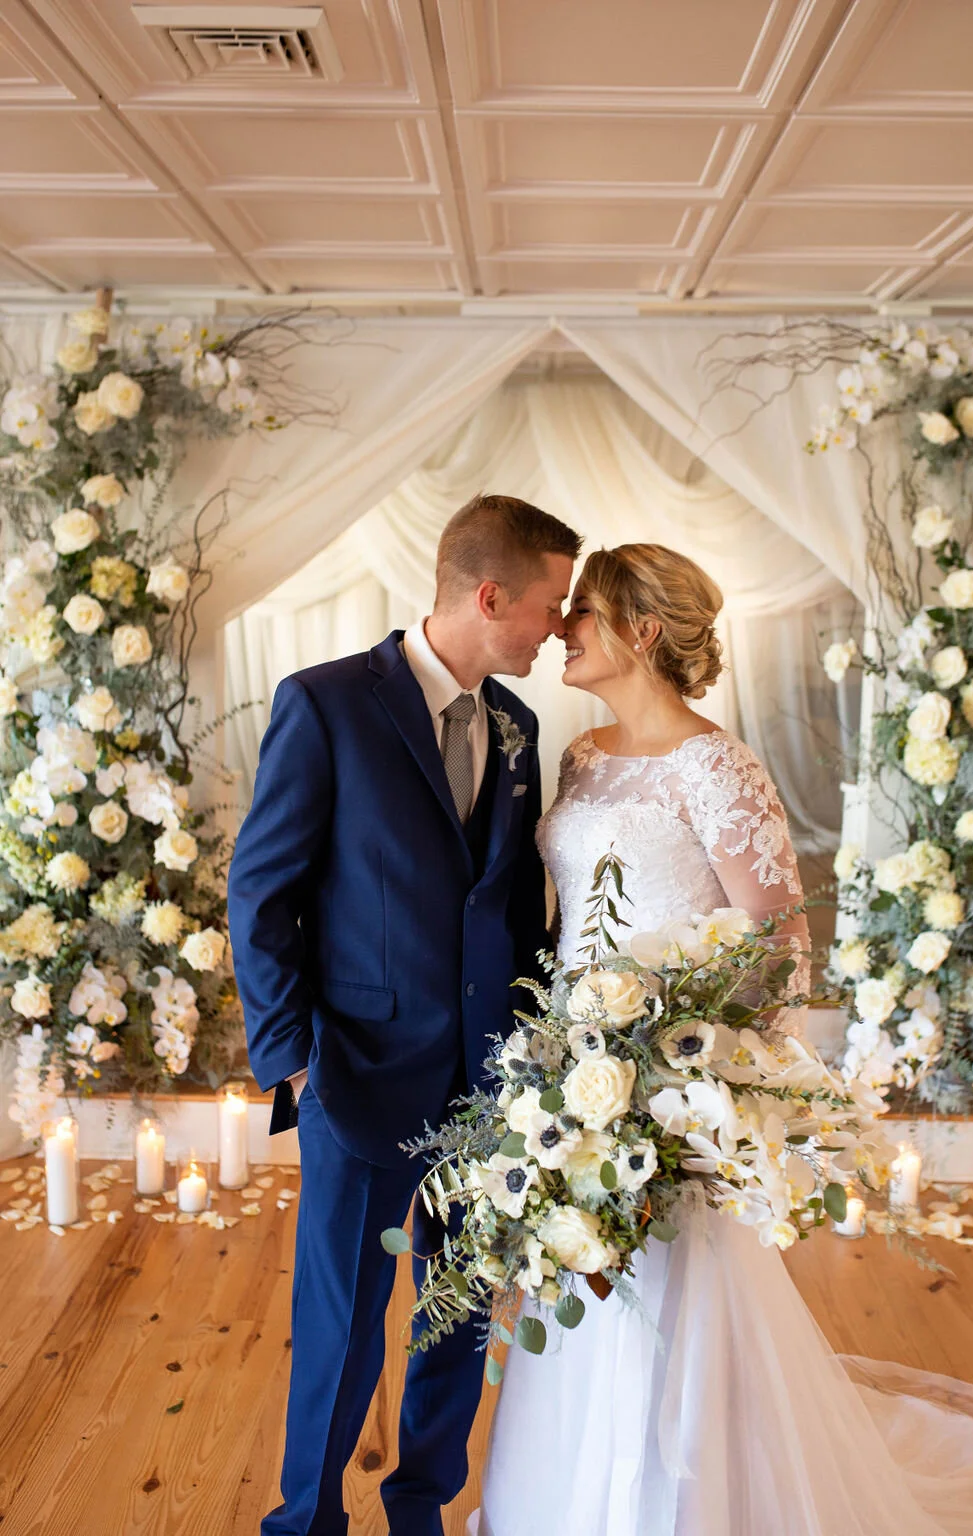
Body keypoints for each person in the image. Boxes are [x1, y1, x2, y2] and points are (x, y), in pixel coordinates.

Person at [473, 543, 973, 1536]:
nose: (563, 627)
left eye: (585, 611)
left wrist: (696, 1085)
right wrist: (567, 1055)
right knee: (587, 1285)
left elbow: (779, 953)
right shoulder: (581, 755)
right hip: (574, 1072)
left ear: (642, 631)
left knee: (669, 1300)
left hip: (673, 1090)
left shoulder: (716, 766)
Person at [228, 492, 581, 1536]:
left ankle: (420, 1506)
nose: (558, 625)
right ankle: (305, 1522)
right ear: (489, 596)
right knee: (342, 1326)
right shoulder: (326, 704)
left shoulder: (516, 725)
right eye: (551, 603)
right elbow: (262, 891)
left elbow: (514, 904)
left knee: (458, 1315)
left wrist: (531, 1053)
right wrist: (293, 1060)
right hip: (357, 1070)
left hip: (486, 1083)